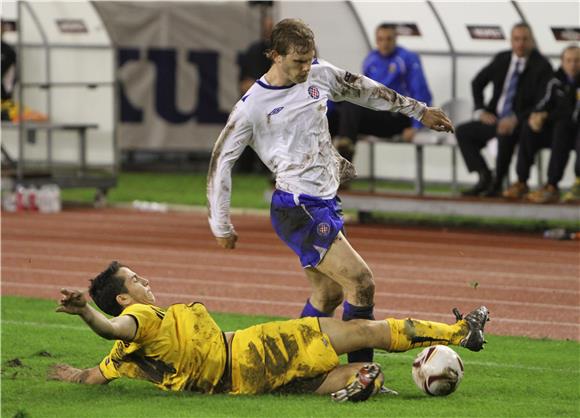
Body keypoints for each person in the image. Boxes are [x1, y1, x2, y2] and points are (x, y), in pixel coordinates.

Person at [206, 19, 454, 365]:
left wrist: (419, 110)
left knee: (328, 293)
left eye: (310, 59)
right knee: (361, 282)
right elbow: (221, 163)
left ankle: (294, 365)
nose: (306, 68)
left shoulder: (319, 74)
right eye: (297, 62)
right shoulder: (252, 107)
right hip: (296, 206)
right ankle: (362, 372)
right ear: (275, 55)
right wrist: (221, 224)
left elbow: (365, 89)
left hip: (325, 201)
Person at [48, 261, 490, 402]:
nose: (145, 282)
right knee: (362, 331)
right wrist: (88, 312)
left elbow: (96, 371)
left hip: (244, 386)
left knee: (323, 381)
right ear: (125, 298)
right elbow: (111, 327)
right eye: (135, 280)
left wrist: (68, 374)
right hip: (252, 348)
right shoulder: (141, 319)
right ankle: (458, 333)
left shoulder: (124, 357)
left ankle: (359, 381)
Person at [456, 23, 553, 197]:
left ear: (532, 41)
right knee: (463, 132)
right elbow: (476, 82)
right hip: (495, 118)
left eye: (525, 39)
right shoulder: (502, 59)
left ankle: (498, 183)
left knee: (506, 133)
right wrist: (481, 110)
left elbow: (542, 101)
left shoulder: (542, 66)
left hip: (520, 121)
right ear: (511, 41)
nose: (520, 43)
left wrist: (515, 119)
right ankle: (484, 175)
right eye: (516, 39)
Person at [334, 23, 433, 162]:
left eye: (388, 39)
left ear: (395, 39)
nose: (384, 43)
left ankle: (343, 164)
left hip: (398, 117)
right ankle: (318, 170)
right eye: (380, 39)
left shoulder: (407, 58)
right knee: (335, 110)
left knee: (350, 107)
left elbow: (421, 92)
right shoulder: (371, 59)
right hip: (376, 114)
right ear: (376, 40)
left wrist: (416, 126)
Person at [503, 45, 580, 203]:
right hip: (556, 129)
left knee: (562, 127)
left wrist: (547, 115)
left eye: (577, 61)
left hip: (573, 132)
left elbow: (572, 114)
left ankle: (552, 185)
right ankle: (521, 181)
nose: (573, 64)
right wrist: (536, 116)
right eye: (569, 61)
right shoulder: (554, 80)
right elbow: (543, 102)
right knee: (528, 127)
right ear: (562, 62)